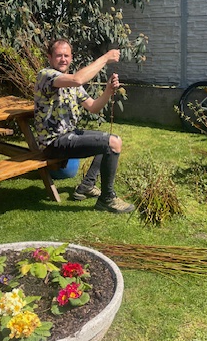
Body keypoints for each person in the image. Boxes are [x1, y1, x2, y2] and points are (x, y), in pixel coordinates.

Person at [32, 38, 135, 213]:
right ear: (49, 57)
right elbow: (78, 79)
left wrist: (108, 91)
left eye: (66, 55)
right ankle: (107, 199)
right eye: (58, 55)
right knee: (112, 143)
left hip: (69, 135)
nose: (63, 59)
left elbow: (93, 107)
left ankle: (87, 185)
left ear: (71, 58)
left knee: (108, 140)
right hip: (53, 143)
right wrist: (105, 58)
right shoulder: (46, 75)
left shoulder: (71, 83)